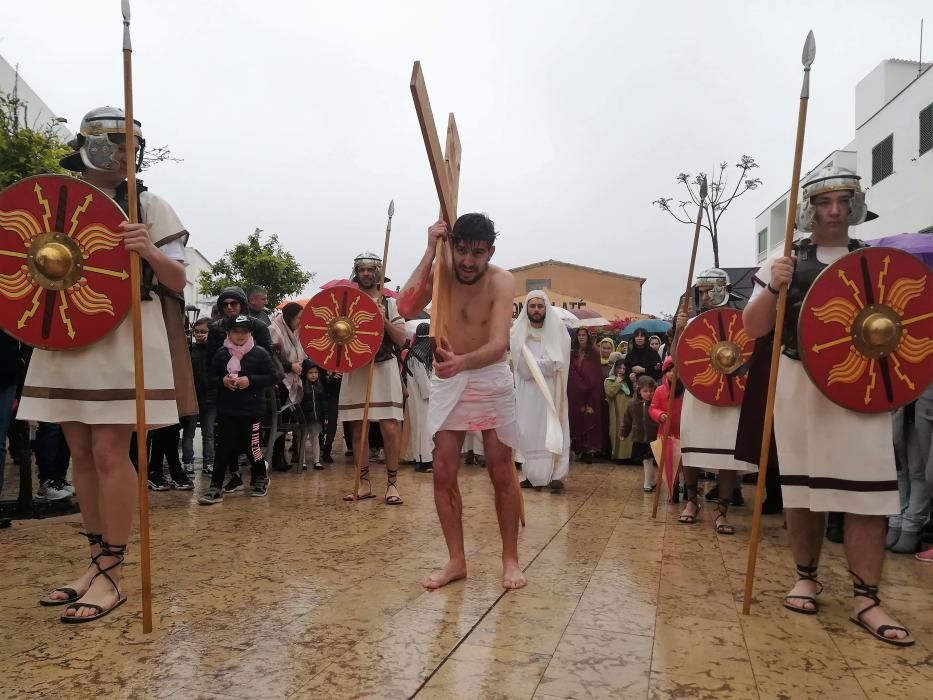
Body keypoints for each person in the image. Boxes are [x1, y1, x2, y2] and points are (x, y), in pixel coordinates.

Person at [24, 107, 188, 622]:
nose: (124, 154)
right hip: (68, 331)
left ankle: (113, 572)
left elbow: (180, 282)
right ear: (91, 144)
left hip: (124, 332)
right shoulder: (55, 200)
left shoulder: (149, 204)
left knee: (110, 451)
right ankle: (94, 564)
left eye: (129, 146)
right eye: (115, 143)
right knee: (80, 451)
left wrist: (149, 252)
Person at [743, 166, 912, 646]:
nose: (834, 211)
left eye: (842, 201)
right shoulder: (786, 261)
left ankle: (867, 597)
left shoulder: (877, 261)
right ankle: (806, 575)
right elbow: (753, 328)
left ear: (855, 204)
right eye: (824, 202)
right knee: (802, 490)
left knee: (866, 492)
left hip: (863, 386)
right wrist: (775, 285)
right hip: (800, 383)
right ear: (809, 209)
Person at [398, 213, 525, 590]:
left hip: (489, 375)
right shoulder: (442, 269)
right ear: (451, 245)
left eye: (478, 252)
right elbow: (406, 307)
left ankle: (510, 559)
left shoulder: (502, 280)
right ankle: (456, 559)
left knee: (501, 471)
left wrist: (462, 363)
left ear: (491, 252)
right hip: (448, 378)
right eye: (462, 250)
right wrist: (429, 251)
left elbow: (499, 344)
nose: (468, 261)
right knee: (442, 470)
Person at [675, 269, 755, 535]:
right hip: (699, 393)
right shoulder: (690, 323)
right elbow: (678, 360)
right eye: (702, 291)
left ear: (724, 288)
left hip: (730, 395)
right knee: (692, 451)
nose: (706, 295)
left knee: (728, 455)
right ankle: (691, 502)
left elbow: (751, 358)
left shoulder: (743, 321)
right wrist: (678, 331)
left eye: (710, 289)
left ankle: (722, 510)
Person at [340, 252, 407, 505]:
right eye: (361, 270)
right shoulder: (345, 302)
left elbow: (401, 338)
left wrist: (383, 319)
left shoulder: (389, 303)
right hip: (355, 368)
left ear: (378, 273)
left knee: (390, 427)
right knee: (358, 428)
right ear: (356, 273)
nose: (366, 274)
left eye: (370, 269)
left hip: (384, 366)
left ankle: (392, 485)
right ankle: (364, 483)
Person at [199, 315, 276, 504]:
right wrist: (223, 381)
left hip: (252, 410)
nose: (240, 336)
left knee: (254, 447)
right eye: (235, 332)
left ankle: (260, 478)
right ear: (228, 333)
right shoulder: (222, 353)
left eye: (244, 332)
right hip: (227, 410)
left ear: (250, 333)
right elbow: (211, 376)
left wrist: (250, 380)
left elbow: (272, 376)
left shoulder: (260, 353)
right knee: (224, 448)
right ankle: (215, 486)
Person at [511, 290, 571, 491]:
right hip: (528, 392)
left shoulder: (558, 331)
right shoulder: (517, 333)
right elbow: (522, 368)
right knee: (528, 431)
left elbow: (558, 363)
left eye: (540, 306)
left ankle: (556, 475)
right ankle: (531, 474)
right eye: (532, 306)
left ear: (545, 308)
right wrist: (543, 365)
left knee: (555, 429)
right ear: (526, 309)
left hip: (552, 393)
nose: (536, 310)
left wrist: (538, 365)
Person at [269, 302, 306, 468]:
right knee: (279, 421)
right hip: (280, 381)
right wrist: (290, 366)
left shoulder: (296, 331)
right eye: (299, 317)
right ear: (290, 317)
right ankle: (277, 457)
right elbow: (271, 358)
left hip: (292, 378)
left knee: (286, 420)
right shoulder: (274, 330)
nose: (300, 320)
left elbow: (300, 351)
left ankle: (281, 456)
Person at [184, 318, 217, 475]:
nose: (199, 335)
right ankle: (188, 462)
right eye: (196, 331)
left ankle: (209, 462)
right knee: (189, 432)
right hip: (192, 397)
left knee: (208, 432)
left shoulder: (215, 349)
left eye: (203, 332)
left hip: (210, 398)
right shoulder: (190, 349)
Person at [649, 357, 683, 502]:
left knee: (683, 462)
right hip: (665, 432)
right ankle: (672, 489)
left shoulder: (686, 391)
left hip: (682, 432)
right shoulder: (660, 390)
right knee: (668, 461)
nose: (672, 373)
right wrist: (660, 415)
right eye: (669, 370)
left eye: (675, 370)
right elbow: (653, 407)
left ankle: (689, 488)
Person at [567, 327, 603, 464]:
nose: (581, 337)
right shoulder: (573, 353)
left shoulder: (594, 353)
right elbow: (570, 371)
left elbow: (595, 375)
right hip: (576, 393)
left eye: (584, 335)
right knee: (577, 420)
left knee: (589, 419)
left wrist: (590, 394)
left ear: (588, 337)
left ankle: (589, 451)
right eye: (579, 335)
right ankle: (580, 449)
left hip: (591, 393)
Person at [404, 322, 434, 473]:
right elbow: (424, 386)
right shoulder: (419, 357)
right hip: (422, 399)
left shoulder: (413, 353)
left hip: (414, 399)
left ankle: (418, 458)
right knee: (424, 429)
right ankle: (424, 462)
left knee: (418, 429)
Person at [621, 376, 660, 492]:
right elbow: (627, 419)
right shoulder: (632, 404)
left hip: (654, 437)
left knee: (650, 460)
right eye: (645, 391)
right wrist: (623, 432)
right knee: (646, 460)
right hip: (639, 437)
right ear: (639, 391)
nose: (649, 394)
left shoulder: (656, 404)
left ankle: (650, 481)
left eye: (651, 391)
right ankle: (649, 481)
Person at [604, 352, 633, 463]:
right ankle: (618, 456)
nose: (621, 371)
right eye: (619, 368)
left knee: (628, 430)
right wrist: (617, 383)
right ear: (615, 369)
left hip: (627, 411)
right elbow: (610, 393)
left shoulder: (627, 382)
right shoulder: (610, 380)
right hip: (616, 411)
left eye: (624, 369)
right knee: (617, 430)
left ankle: (628, 456)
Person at [299, 360, 327, 470]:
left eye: (316, 372)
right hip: (304, 418)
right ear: (305, 374)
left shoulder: (320, 387)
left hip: (316, 418)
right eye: (311, 373)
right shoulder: (301, 387)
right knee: (302, 439)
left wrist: (325, 417)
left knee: (315, 438)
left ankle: (316, 461)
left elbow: (323, 403)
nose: (314, 375)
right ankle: (303, 461)